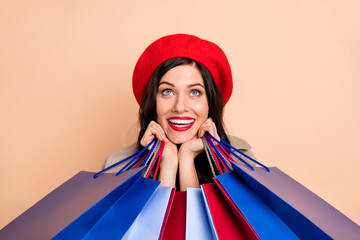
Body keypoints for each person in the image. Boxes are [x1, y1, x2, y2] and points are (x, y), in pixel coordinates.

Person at [102, 34, 256, 191]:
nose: (180, 107)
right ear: (153, 102)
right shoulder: (118, 166)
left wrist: (187, 157)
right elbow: (153, 217)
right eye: (168, 91)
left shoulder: (240, 161)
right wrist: (167, 162)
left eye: (195, 92)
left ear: (210, 102)